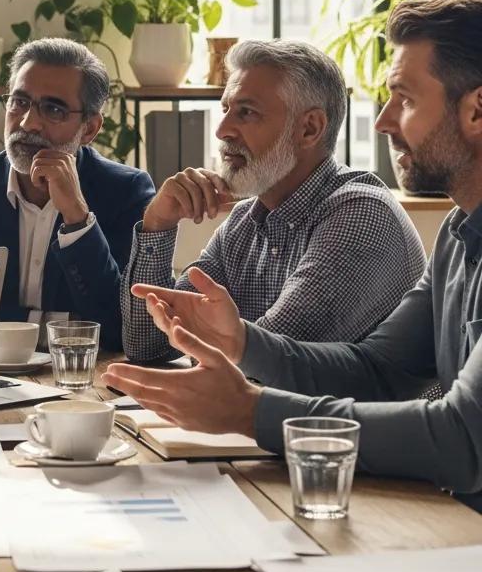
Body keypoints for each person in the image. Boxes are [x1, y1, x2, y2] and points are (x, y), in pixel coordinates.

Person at [104, 0, 482, 511]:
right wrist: (239, 340)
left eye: (405, 99)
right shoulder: (459, 234)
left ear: (476, 110)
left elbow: (462, 438)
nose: (383, 121)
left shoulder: (359, 214)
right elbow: (375, 370)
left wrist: (249, 409)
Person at [121, 40, 425, 362]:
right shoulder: (243, 223)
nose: (223, 130)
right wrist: (158, 224)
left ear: (309, 129)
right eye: (226, 110)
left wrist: (203, 344)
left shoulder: (361, 215)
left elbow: (262, 367)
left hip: (342, 415)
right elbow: (148, 344)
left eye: (246, 113)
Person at [0, 38, 155, 350]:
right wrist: (62, 324)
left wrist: (78, 217)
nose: (28, 123)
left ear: (89, 129)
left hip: (83, 381)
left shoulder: (126, 192)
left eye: (53, 109)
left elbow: (121, 327)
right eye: (19, 102)